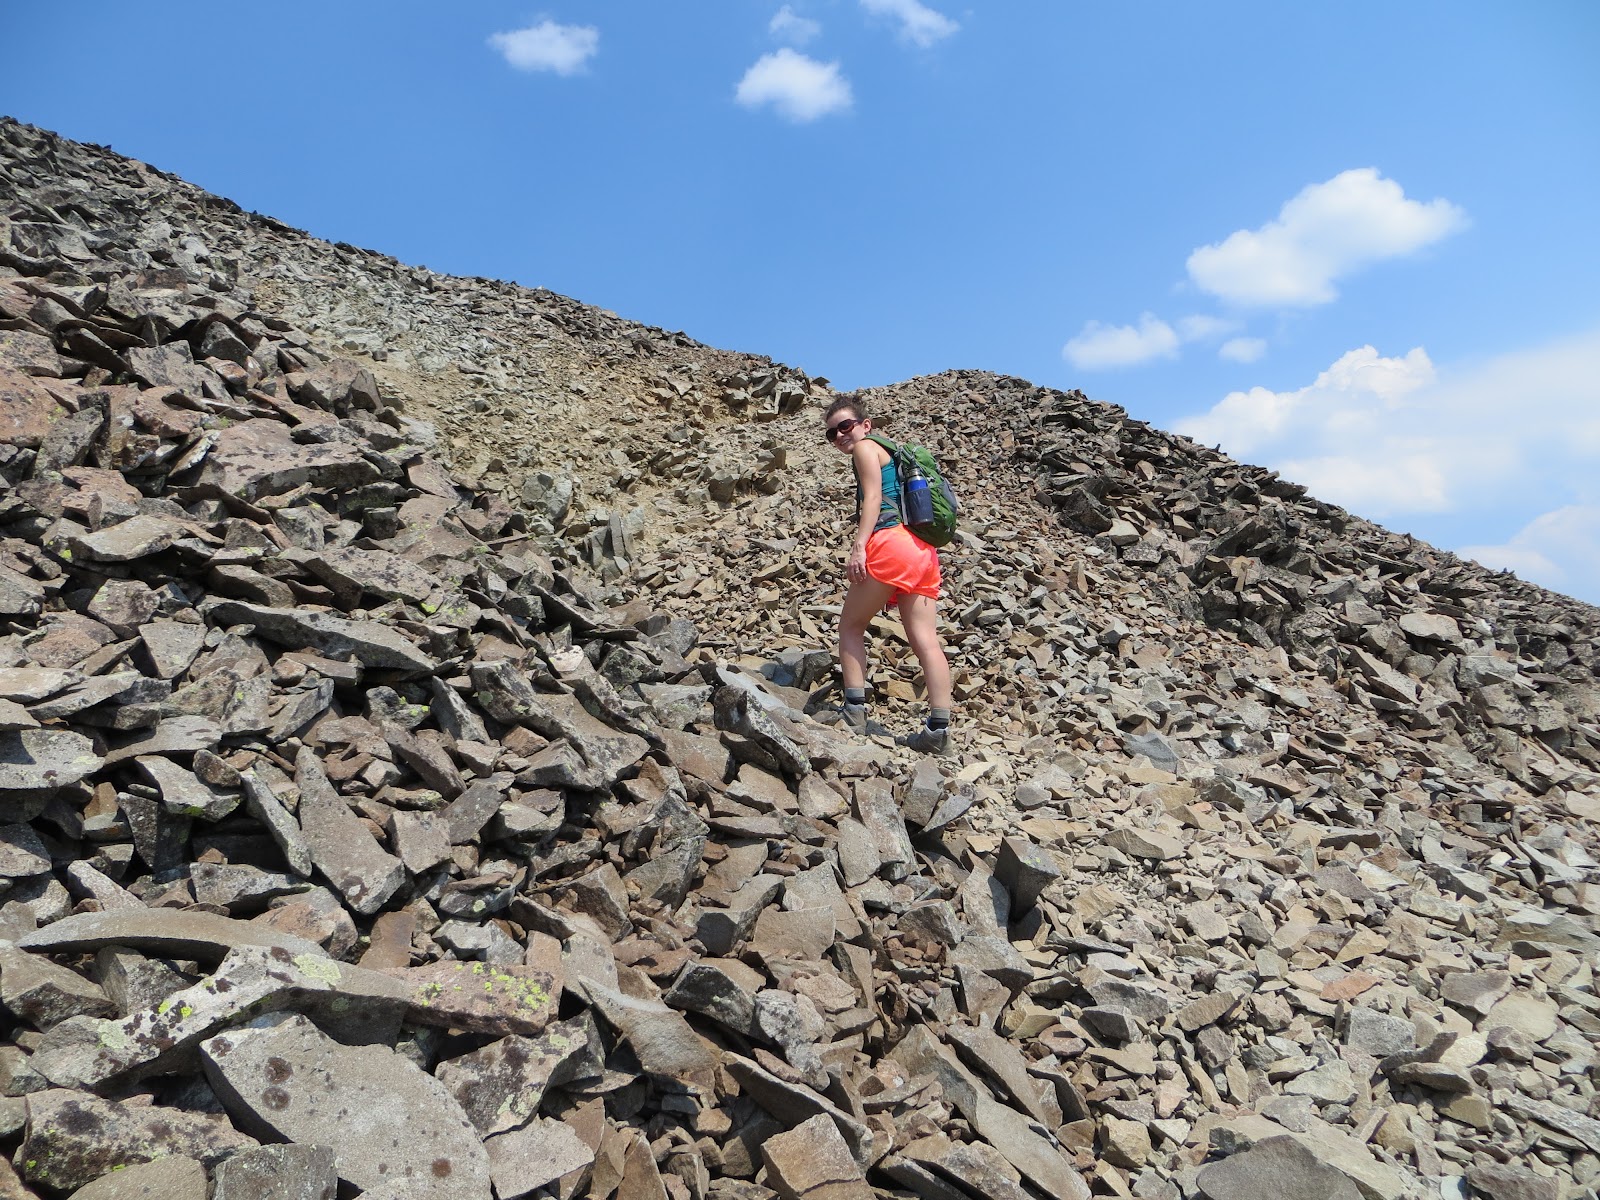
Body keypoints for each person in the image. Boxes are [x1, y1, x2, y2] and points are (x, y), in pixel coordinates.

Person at [822, 394, 953, 754]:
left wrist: (859, 545)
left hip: (890, 543)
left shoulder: (866, 449)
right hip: (923, 552)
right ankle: (938, 732)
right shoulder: (895, 454)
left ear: (866, 426)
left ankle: (853, 712)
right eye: (832, 433)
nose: (840, 436)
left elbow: (873, 500)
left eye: (845, 426)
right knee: (925, 639)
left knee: (850, 626)